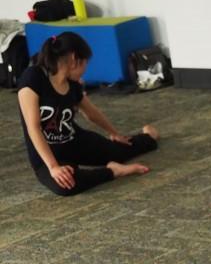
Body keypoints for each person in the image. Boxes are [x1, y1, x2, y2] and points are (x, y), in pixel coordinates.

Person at [17, 32, 159, 197]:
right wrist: (53, 166)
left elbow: (91, 113)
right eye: (85, 63)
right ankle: (113, 171)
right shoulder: (33, 78)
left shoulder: (72, 84)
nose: (85, 69)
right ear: (73, 59)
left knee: (119, 151)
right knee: (65, 185)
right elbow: (33, 128)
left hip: (75, 141)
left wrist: (113, 133)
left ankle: (149, 136)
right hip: (46, 156)